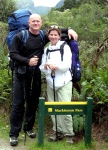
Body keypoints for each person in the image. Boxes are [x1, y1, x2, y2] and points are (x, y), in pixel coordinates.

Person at [9, 13, 77, 146]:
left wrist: (68, 29)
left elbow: (55, 33)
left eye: (37, 21)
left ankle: (28, 128)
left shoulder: (42, 36)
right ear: (29, 23)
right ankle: (14, 133)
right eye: (33, 21)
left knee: (33, 102)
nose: (35, 23)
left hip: (36, 75)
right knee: (18, 104)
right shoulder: (20, 36)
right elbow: (13, 54)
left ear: (41, 23)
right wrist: (27, 61)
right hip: (21, 75)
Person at [39, 26, 75, 144]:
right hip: (51, 82)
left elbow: (66, 66)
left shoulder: (65, 47)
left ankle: (69, 134)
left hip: (64, 82)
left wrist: (56, 66)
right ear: (48, 36)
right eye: (51, 35)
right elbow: (41, 66)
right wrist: (45, 67)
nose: (53, 37)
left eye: (55, 35)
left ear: (59, 36)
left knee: (65, 108)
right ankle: (57, 132)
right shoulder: (46, 50)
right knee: (52, 108)